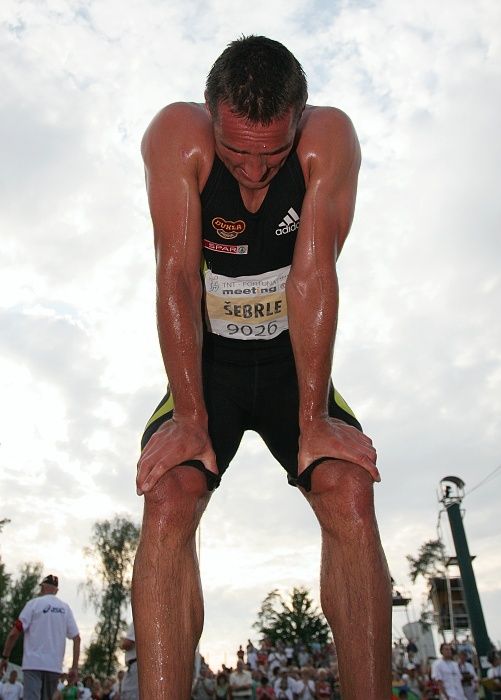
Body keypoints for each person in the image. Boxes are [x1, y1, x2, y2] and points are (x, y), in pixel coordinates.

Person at [131, 34, 391, 700]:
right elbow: (175, 275)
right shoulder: (176, 135)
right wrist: (189, 417)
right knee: (169, 495)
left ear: (298, 123)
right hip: (208, 360)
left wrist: (313, 420)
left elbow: (311, 276)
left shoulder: (327, 139)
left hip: (290, 358)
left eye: (270, 155)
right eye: (234, 152)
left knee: (347, 488)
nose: (250, 173)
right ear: (210, 119)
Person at [1, 574, 80, 700]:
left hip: (33, 664)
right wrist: (74, 667)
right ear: (56, 591)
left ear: (42, 587)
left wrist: (5, 657)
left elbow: (14, 633)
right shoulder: (65, 609)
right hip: (54, 666)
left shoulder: (33, 604)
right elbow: (77, 638)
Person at [119, 624, 137, 700]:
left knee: (129, 693)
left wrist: (122, 643)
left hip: (135, 665)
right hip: (136, 665)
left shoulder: (136, 621)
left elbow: (127, 644)